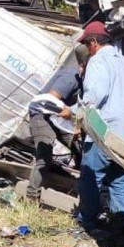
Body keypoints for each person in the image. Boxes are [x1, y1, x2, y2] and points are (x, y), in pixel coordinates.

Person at [62, 21, 124, 231]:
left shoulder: (98, 62)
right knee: (117, 175)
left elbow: (94, 96)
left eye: (87, 45)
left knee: (90, 176)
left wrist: (71, 112)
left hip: (107, 131)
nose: (87, 51)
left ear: (93, 43)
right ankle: (122, 219)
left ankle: (87, 222)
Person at [26, 44, 89, 200]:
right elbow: (50, 100)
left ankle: (82, 193)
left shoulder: (84, 79)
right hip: (42, 114)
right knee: (44, 157)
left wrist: (77, 128)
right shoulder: (71, 77)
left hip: (58, 116)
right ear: (83, 64)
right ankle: (31, 196)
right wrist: (69, 117)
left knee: (81, 148)